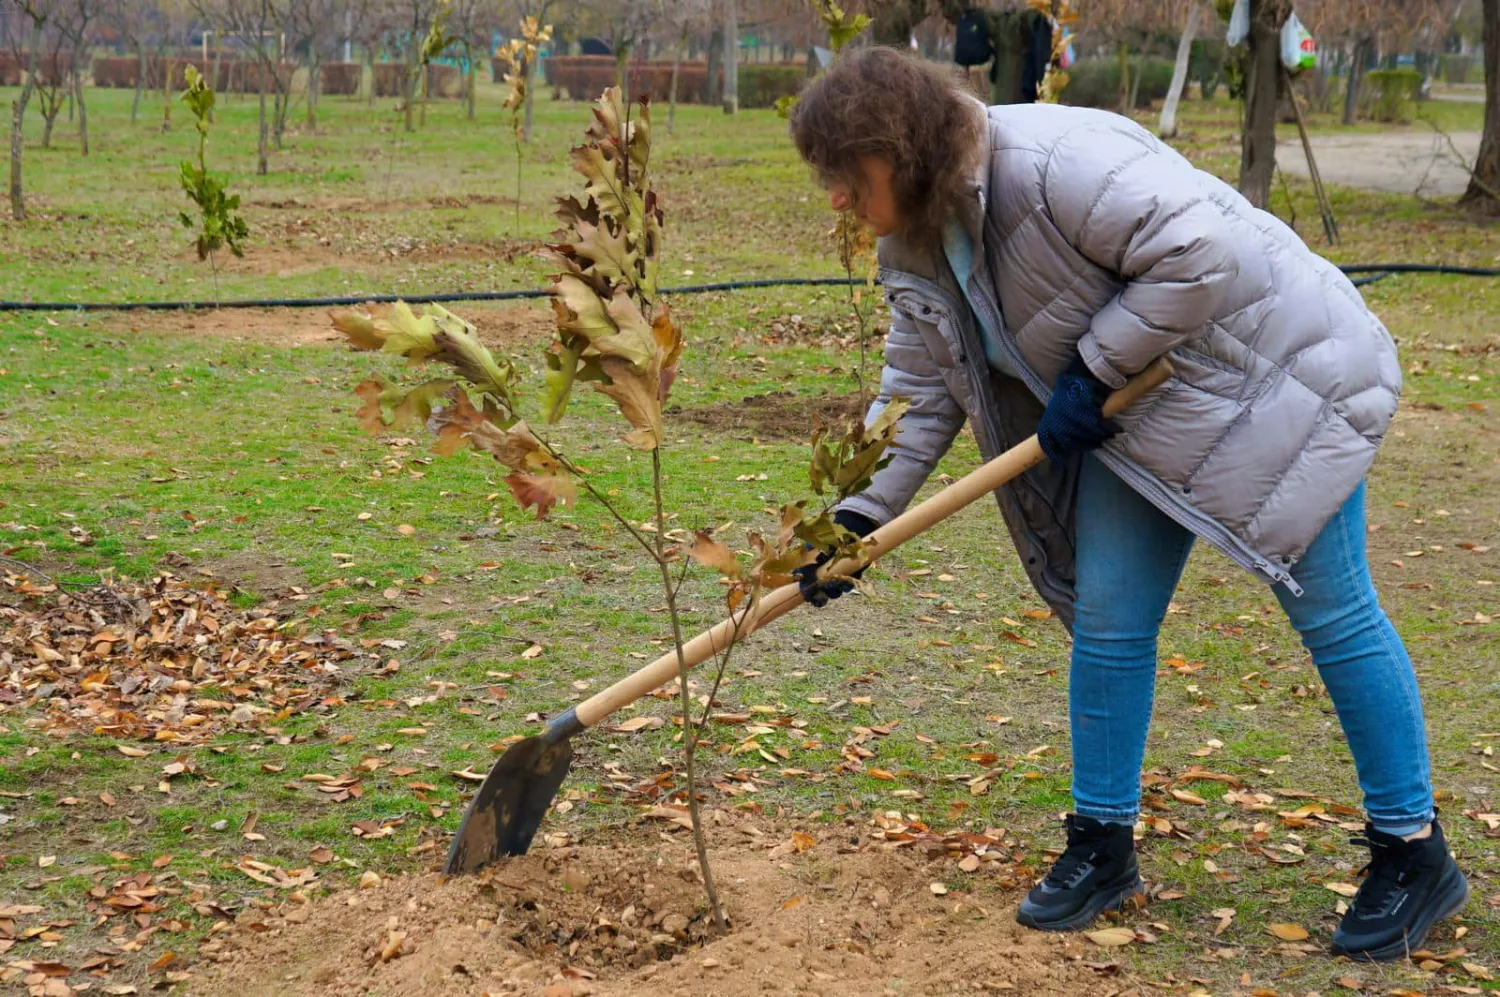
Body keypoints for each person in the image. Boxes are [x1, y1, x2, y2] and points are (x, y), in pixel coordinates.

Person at [787, 47, 1468, 961]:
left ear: (900, 151)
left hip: (1277, 385)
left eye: (845, 174)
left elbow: (1204, 254)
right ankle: (1101, 846)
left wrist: (1096, 365)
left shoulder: (1060, 162)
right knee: (1110, 621)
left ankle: (1414, 851)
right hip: (1135, 420)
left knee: (1334, 615)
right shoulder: (912, 237)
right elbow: (918, 383)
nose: (835, 196)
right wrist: (857, 518)